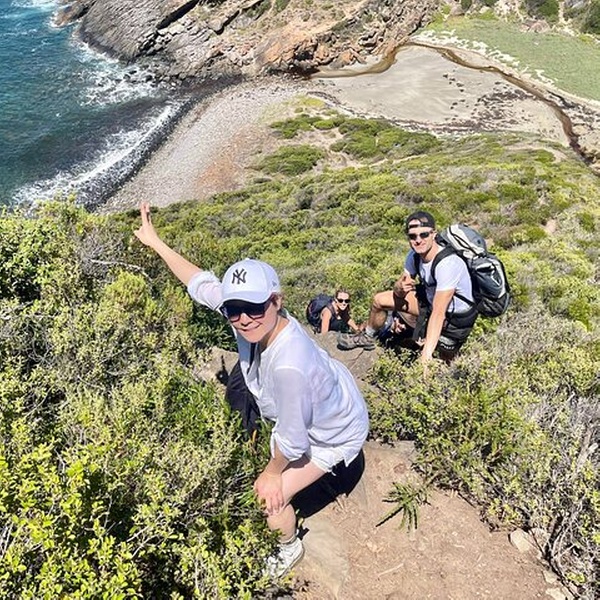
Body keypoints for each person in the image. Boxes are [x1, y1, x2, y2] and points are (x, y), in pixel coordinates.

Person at [134, 202, 369, 578]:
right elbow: (199, 284)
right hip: (331, 395)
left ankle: (289, 547)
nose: (243, 319)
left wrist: (273, 473)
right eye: (234, 309)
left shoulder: (289, 364)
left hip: (334, 434)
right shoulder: (248, 317)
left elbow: (293, 441)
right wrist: (156, 242)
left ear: (277, 301)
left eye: (255, 308)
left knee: (266, 499)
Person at [338, 210, 478, 363]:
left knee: (446, 359)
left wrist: (425, 357)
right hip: (429, 301)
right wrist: (399, 287)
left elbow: (439, 313)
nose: (418, 240)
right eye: (412, 236)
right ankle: (368, 336)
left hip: (455, 317)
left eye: (424, 235)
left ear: (433, 234)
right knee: (379, 300)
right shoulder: (414, 256)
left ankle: (431, 356)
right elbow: (399, 291)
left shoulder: (448, 264)